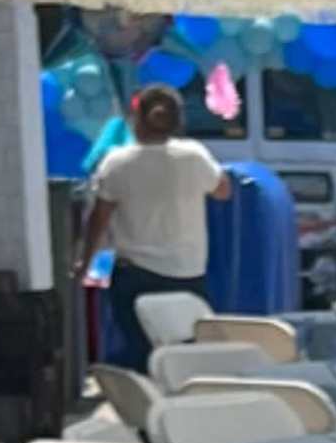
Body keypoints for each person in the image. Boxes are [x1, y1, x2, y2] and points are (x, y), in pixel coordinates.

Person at [85, 82, 233, 360]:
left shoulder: (116, 162)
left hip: (134, 276)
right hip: (185, 275)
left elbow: (99, 219)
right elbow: (223, 191)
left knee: (141, 356)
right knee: (187, 359)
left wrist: (83, 263)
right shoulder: (194, 155)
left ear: (137, 119)